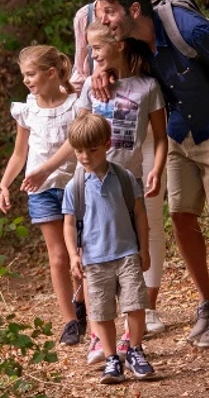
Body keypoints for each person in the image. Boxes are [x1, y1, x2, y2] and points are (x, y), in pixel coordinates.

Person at [90, 0, 209, 348]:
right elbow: (115, 56)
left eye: (110, 13)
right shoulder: (133, 39)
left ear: (135, 10)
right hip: (180, 131)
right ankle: (208, 301)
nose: (104, 20)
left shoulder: (187, 27)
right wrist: (103, 69)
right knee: (182, 217)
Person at [22, 23, 168, 363]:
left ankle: (131, 339)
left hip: (127, 182)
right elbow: (76, 138)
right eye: (89, 49)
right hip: (88, 183)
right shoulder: (90, 86)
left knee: (129, 257)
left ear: (120, 44)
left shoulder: (147, 87)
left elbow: (160, 137)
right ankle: (98, 338)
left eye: (97, 49)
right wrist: (45, 169)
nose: (91, 56)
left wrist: (157, 170)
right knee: (92, 258)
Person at [69, 0, 172, 339]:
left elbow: (156, 57)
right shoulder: (86, 15)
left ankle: (148, 305)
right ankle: (106, 312)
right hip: (103, 121)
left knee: (149, 213)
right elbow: (81, 68)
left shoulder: (145, 7)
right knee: (104, 215)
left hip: (143, 112)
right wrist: (98, 72)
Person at [0, 45, 86, 346]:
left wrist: (45, 170)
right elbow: (19, 153)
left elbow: (74, 143)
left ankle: (82, 302)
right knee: (58, 255)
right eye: (23, 75)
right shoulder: (27, 110)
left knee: (80, 251)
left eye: (31, 74)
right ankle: (70, 321)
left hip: (75, 186)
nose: (26, 80)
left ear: (50, 73)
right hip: (42, 190)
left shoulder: (75, 106)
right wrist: (4, 184)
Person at [61, 113, 156, 384]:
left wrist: (144, 249)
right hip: (94, 260)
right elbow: (69, 224)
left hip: (127, 254)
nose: (85, 157)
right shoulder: (75, 186)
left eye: (92, 150)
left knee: (135, 304)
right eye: (79, 151)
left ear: (106, 144)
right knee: (101, 312)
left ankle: (135, 350)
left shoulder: (124, 178)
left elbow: (140, 214)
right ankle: (112, 358)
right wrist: (73, 255)